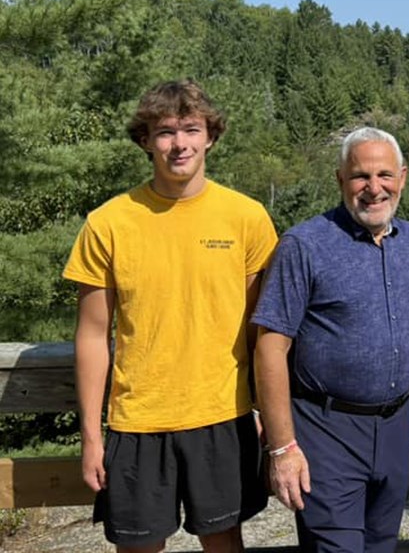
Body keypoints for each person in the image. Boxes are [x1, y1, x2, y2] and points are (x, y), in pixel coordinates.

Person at [63, 79, 278, 552]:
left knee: (225, 543)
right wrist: (91, 437)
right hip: (137, 421)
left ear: (211, 137)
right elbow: (93, 336)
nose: (179, 143)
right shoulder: (108, 223)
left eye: (190, 129)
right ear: (145, 140)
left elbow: (260, 330)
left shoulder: (247, 218)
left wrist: (263, 409)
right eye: (164, 132)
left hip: (222, 415)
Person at [252, 126, 409, 552]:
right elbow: (269, 346)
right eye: (360, 176)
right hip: (326, 430)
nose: (374, 189)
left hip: (395, 426)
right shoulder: (305, 245)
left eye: (384, 176)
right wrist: (282, 448)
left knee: (382, 545)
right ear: (340, 180)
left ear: (403, 177)